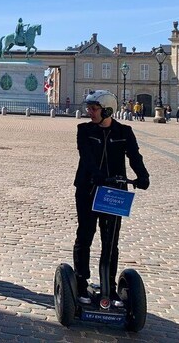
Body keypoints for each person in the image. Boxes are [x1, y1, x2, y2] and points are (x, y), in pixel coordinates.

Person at [73, 90, 150, 306]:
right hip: (88, 189)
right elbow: (85, 155)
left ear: (107, 110)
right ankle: (80, 280)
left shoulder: (124, 132)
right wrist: (95, 174)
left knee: (110, 240)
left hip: (114, 191)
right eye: (89, 108)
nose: (89, 112)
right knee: (85, 235)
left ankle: (108, 285)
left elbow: (134, 155)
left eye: (94, 109)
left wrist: (143, 175)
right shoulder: (84, 130)